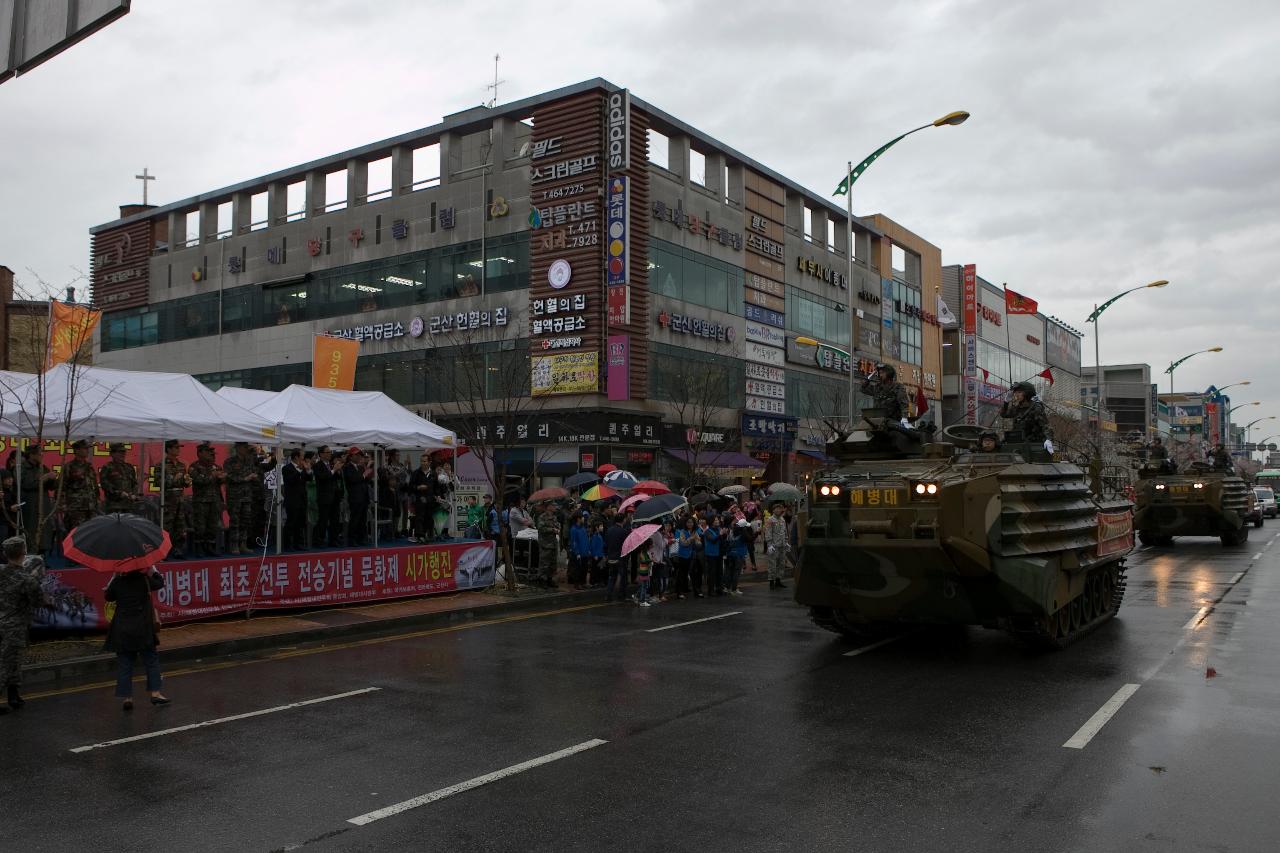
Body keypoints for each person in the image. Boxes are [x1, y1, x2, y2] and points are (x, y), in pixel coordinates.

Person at [103, 567, 169, 711]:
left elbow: (108, 596)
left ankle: (127, 698)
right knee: (151, 660)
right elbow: (160, 582)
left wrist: (114, 575)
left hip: (122, 629)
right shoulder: (145, 580)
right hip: (142, 628)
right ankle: (155, 693)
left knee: (125, 663)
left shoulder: (118, 582)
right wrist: (153, 570)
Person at [0, 536, 44, 713]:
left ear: (5, 554)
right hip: (14, 626)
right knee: (7, 663)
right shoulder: (27, 579)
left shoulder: (1, 572)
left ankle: (13, 696)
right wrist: (36, 579)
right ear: (24, 553)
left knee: (11, 661)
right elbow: (38, 602)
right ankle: (12, 695)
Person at [153, 440, 190, 560]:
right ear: (168, 449)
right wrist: (173, 479)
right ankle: (164, 552)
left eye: (178, 447)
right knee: (166, 527)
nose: (178, 449)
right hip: (168, 500)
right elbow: (158, 482)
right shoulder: (160, 465)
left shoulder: (181, 465)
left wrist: (186, 481)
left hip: (180, 499)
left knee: (180, 527)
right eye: (175, 447)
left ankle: (178, 550)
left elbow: (185, 483)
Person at [187, 442, 226, 557]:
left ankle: (210, 546)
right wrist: (213, 476)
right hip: (201, 501)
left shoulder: (216, 467)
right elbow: (199, 480)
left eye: (210, 452)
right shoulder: (194, 467)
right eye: (207, 452)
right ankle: (199, 548)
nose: (210, 454)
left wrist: (223, 478)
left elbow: (221, 482)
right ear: (199, 453)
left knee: (213, 525)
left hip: (214, 500)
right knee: (200, 526)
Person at [222, 442, 261, 555]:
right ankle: (234, 545)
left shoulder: (249, 461)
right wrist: (245, 478)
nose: (246, 450)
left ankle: (243, 544)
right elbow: (229, 477)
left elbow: (256, 473)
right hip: (235, 496)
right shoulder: (229, 462)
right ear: (238, 448)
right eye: (244, 447)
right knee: (235, 521)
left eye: (247, 448)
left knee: (246, 521)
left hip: (247, 496)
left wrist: (255, 477)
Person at [1000, 381, 1054, 452]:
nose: (1016, 395)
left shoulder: (1035, 407)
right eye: (1015, 392)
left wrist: (1048, 439)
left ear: (1027, 393)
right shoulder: (1017, 407)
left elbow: (1045, 425)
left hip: (1033, 443)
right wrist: (1006, 402)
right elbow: (1004, 414)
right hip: (1019, 441)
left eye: (1019, 392)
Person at [60, 439, 100, 533]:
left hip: (90, 507)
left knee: (90, 533)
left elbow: (94, 485)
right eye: (85, 448)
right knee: (76, 533)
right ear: (77, 450)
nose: (87, 451)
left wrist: (97, 500)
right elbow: (61, 487)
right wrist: (63, 505)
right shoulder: (69, 467)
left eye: (87, 448)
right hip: (76, 508)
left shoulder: (89, 467)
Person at [310, 445, 341, 549]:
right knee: (323, 520)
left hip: (335, 496)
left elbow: (336, 477)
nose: (330, 454)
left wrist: (337, 470)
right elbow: (323, 478)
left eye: (330, 452)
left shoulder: (331, 464)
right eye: (327, 452)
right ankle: (318, 540)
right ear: (321, 454)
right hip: (324, 497)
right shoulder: (317, 466)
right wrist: (333, 471)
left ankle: (333, 540)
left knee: (335, 520)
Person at [282, 448, 312, 550]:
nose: (304, 458)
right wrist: (299, 470)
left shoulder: (302, 468)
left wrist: (308, 470)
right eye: (302, 456)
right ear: (296, 457)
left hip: (302, 499)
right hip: (292, 500)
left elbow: (309, 479)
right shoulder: (287, 468)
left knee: (300, 523)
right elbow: (290, 480)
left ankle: (298, 543)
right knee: (291, 522)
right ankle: (287, 544)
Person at [342, 447, 372, 546]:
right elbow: (352, 480)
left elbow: (365, 480)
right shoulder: (347, 467)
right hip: (355, 497)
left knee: (363, 519)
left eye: (360, 455)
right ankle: (352, 539)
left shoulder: (360, 467)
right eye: (357, 455)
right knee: (355, 518)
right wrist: (364, 475)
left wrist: (368, 474)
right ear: (351, 456)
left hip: (364, 496)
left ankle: (361, 538)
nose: (359, 457)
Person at [99, 443, 140, 514]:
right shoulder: (107, 467)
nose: (122, 454)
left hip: (128, 505)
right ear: (112, 454)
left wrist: (134, 494)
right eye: (120, 452)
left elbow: (134, 483)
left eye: (123, 452)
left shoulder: (129, 467)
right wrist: (119, 493)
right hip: (114, 505)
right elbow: (105, 484)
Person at [378, 449, 409, 539]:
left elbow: (407, 474)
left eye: (399, 455)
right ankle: (395, 530)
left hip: (403, 490)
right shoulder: (388, 466)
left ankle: (404, 529)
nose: (398, 457)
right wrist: (404, 468)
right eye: (396, 455)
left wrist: (408, 466)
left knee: (406, 511)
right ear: (392, 456)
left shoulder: (401, 465)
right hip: (395, 491)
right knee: (397, 512)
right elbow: (393, 475)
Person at [408, 456, 438, 542]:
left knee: (429, 517)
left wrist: (438, 495)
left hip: (430, 499)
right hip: (420, 498)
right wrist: (418, 487)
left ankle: (427, 534)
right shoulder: (416, 473)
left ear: (429, 462)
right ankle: (419, 535)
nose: (423, 463)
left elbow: (436, 487)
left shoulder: (433, 473)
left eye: (425, 461)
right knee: (419, 517)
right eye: (421, 461)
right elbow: (410, 487)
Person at [535, 500, 561, 588]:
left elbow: (557, 525)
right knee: (544, 563)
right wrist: (552, 530)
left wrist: (557, 528)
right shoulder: (542, 517)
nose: (555, 507)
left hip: (553, 543)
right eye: (553, 505)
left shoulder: (554, 517)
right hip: (545, 543)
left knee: (553, 563)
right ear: (548, 506)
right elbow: (541, 528)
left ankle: (550, 579)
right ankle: (542, 580)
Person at [604, 515, 629, 602]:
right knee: (623, 577)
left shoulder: (609, 530)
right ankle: (621, 595)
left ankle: (608, 595)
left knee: (612, 577)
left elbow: (606, 543)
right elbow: (626, 545)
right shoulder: (623, 532)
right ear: (623, 520)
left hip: (611, 556)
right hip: (621, 557)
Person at [764, 503, 789, 589]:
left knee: (781, 564)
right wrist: (769, 544)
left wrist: (786, 542)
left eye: (780, 509)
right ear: (773, 510)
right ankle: (771, 581)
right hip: (774, 546)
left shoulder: (782, 519)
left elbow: (785, 531)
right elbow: (768, 532)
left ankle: (778, 580)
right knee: (772, 564)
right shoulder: (770, 520)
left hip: (782, 545)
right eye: (777, 509)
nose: (778, 510)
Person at [674, 516, 697, 599]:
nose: (690, 524)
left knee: (690, 573)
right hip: (682, 555)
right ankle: (679, 592)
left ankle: (691, 590)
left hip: (690, 555)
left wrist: (697, 541)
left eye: (691, 522)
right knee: (681, 574)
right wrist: (691, 539)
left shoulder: (694, 532)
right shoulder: (682, 532)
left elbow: (699, 543)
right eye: (688, 522)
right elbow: (683, 543)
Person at [726, 518, 750, 596]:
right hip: (739, 554)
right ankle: (734, 589)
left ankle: (728, 588)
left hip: (731, 554)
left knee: (730, 571)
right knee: (737, 572)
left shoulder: (732, 531)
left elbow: (728, 542)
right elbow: (750, 539)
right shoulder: (743, 533)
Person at [701, 515, 722, 596]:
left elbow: (721, 539)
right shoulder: (707, 531)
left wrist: (723, 534)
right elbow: (712, 540)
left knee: (719, 571)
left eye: (717, 520)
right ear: (711, 522)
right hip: (711, 554)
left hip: (718, 553)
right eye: (716, 520)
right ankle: (711, 590)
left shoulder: (718, 529)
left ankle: (719, 588)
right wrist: (720, 535)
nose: (717, 521)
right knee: (712, 572)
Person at [568, 514, 590, 588]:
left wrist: (588, 549)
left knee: (585, 568)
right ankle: (577, 583)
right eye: (582, 517)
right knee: (578, 569)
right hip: (579, 553)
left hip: (585, 552)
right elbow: (574, 542)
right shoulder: (574, 529)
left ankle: (583, 582)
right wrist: (577, 552)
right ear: (578, 519)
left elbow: (586, 540)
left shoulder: (583, 528)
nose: (583, 518)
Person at [588, 522, 606, 587]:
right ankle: (593, 582)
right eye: (601, 526)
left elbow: (602, 545)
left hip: (600, 555)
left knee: (599, 569)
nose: (602, 527)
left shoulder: (599, 535)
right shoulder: (595, 536)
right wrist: (595, 554)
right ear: (596, 527)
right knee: (595, 569)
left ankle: (598, 581)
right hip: (596, 556)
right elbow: (592, 546)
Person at [635, 543, 653, 607]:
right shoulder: (642, 553)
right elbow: (644, 561)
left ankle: (637, 597)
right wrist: (651, 559)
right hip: (643, 571)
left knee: (644, 586)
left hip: (644, 571)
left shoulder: (643, 553)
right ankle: (642, 601)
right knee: (644, 586)